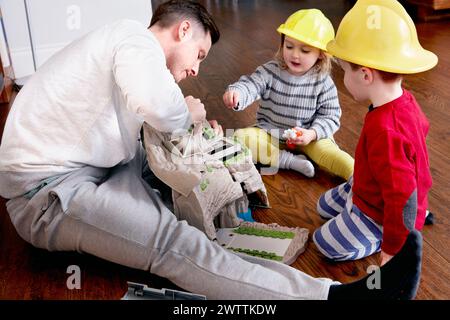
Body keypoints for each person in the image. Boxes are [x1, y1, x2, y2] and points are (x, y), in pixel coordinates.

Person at [0, 0, 422, 300]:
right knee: (175, 245)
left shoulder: (116, 48)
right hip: (48, 195)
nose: (195, 69)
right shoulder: (132, 39)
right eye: (199, 54)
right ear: (183, 29)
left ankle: (258, 267)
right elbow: (157, 105)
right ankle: (332, 299)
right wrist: (185, 113)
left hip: (94, 168)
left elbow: (139, 123)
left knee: (189, 208)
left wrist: (192, 130)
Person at [313, 0, 437, 265]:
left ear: (366, 75)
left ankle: (384, 232)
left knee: (323, 243)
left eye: (344, 71)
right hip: (373, 184)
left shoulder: (386, 130)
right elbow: (420, 134)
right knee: (322, 207)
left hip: (381, 212)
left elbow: (402, 196)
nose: (343, 78)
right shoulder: (406, 101)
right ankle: (364, 194)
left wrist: (393, 249)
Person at [223, 9, 354, 180]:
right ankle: (289, 161)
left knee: (330, 154)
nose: (295, 54)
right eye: (289, 46)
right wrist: (237, 93)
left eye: (305, 50)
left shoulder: (323, 82)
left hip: (309, 137)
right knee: (239, 138)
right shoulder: (270, 71)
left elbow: (331, 116)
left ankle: (356, 176)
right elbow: (251, 84)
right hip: (271, 133)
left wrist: (312, 134)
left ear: (321, 54)